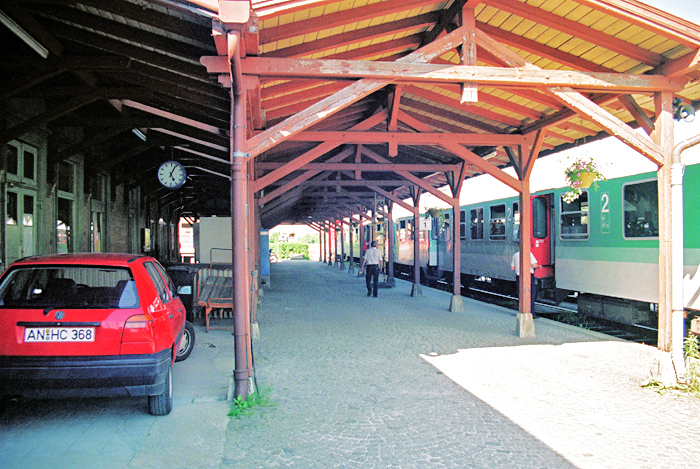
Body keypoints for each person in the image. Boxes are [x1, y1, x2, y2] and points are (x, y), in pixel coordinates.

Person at [511, 249, 540, 314]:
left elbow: (512, 268)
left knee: (520, 294)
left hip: (518, 276)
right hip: (528, 276)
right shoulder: (529, 254)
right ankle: (531, 312)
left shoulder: (515, 255)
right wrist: (539, 266)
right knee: (531, 294)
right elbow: (534, 265)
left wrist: (518, 268)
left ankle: (522, 311)